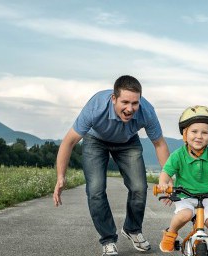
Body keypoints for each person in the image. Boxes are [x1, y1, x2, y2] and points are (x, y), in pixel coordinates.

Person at [52, 75, 170, 256]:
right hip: (95, 140)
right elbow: (69, 142)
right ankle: (108, 239)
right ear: (113, 98)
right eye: (125, 102)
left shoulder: (147, 111)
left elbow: (159, 144)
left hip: (128, 141)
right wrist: (61, 176)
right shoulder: (95, 107)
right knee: (96, 189)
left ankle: (132, 229)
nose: (130, 109)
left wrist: (167, 177)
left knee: (139, 187)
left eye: (135, 103)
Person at [156, 105, 208, 256]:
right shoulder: (177, 155)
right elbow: (166, 172)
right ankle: (170, 233)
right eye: (194, 131)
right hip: (185, 195)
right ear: (185, 134)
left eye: (205, 133)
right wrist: (163, 183)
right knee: (185, 214)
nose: (199, 136)